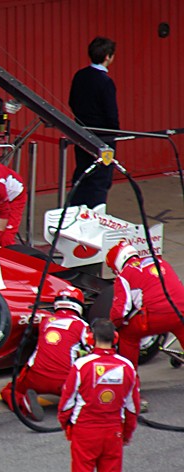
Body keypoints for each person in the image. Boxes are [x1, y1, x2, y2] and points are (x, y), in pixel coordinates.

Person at [56, 318, 140, 472]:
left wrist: (67, 427)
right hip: (113, 432)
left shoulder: (82, 365)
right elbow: (132, 408)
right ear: (115, 339)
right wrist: (126, 434)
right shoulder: (127, 367)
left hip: (85, 432)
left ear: (90, 339)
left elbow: (65, 405)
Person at [0, 287, 90, 416]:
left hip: (36, 376)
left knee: (9, 390)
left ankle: (22, 401)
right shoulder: (81, 326)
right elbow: (92, 352)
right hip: (64, 381)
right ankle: (75, 403)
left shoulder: (45, 322)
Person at [106, 240, 184, 367]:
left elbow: (120, 312)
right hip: (181, 310)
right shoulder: (162, 263)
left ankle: (129, 378)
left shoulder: (125, 275)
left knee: (127, 335)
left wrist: (111, 327)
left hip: (156, 316)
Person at [68, 37, 119, 209]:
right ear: (108, 57)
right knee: (100, 178)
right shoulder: (105, 82)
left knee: (82, 172)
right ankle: (96, 213)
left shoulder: (80, 75)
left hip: (82, 132)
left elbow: (72, 102)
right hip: (103, 136)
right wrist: (114, 133)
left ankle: (75, 209)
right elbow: (111, 113)